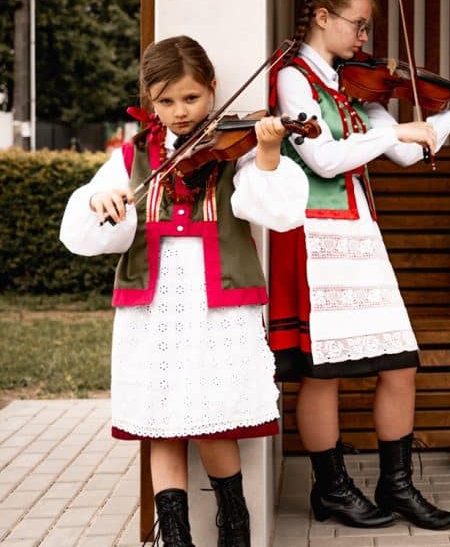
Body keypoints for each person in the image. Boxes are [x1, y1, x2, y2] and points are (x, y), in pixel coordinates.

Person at [60, 35, 308, 547]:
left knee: (214, 417)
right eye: (166, 101)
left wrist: (266, 152)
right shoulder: (133, 155)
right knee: (159, 417)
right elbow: (85, 232)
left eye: (191, 99)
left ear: (213, 90)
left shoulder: (232, 149)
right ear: (149, 99)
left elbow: (278, 213)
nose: (179, 112)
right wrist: (101, 199)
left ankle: (233, 524)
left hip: (216, 300)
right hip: (152, 302)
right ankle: (174, 536)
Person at [267, 0, 450, 531]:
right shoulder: (292, 79)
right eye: (357, 24)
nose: (365, 36)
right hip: (315, 236)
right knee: (324, 373)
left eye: (367, 26)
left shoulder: (355, 84)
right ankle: (332, 490)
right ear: (323, 17)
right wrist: (394, 134)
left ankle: (397, 487)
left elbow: (409, 153)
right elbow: (322, 159)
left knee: (400, 364)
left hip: (360, 236)